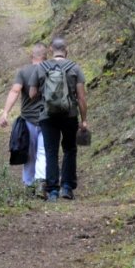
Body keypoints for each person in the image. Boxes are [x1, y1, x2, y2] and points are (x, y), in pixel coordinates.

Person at [37, 36, 88, 201]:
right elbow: (81, 97)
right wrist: (84, 120)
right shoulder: (75, 68)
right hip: (70, 114)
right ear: (66, 50)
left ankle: (52, 190)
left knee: (51, 151)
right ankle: (66, 187)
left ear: (51, 49)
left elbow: (32, 93)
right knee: (70, 149)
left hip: (47, 115)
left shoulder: (41, 67)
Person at [0, 43, 49, 194]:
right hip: (48, 119)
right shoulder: (51, 71)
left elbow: (15, 91)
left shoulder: (23, 72)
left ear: (31, 56)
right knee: (43, 152)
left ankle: (28, 185)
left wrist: (5, 112)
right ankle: (40, 184)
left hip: (29, 120)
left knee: (30, 153)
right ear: (46, 57)